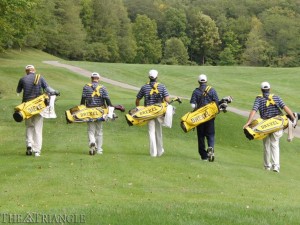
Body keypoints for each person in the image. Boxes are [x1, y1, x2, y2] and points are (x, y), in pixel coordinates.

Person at [243, 81, 295, 173]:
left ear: (261, 90)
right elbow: (285, 108)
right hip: (277, 124)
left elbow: (254, 111)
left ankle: (267, 166)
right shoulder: (276, 97)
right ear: (269, 89)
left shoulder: (259, 99)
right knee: (275, 144)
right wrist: (293, 117)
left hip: (264, 125)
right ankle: (276, 166)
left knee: (266, 145)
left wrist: (248, 123)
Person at [16, 65, 50, 157]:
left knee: (29, 126)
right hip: (38, 106)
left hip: (26, 107)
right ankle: (37, 150)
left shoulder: (22, 79)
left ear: (26, 71)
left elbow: (18, 91)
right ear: (34, 70)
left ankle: (29, 145)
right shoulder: (40, 77)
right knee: (37, 129)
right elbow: (48, 89)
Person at [135, 69, 170, 157]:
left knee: (151, 132)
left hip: (148, 113)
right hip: (159, 112)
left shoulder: (144, 87)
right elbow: (167, 99)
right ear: (157, 77)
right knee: (159, 132)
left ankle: (153, 153)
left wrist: (139, 109)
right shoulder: (162, 86)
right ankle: (159, 151)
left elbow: (137, 99)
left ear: (149, 77)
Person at [81, 72, 113, 155]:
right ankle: (99, 150)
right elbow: (108, 101)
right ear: (98, 79)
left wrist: (81, 111)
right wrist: (111, 110)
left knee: (91, 130)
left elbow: (82, 101)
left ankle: (92, 141)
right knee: (99, 131)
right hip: (100, 111)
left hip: (89, 111)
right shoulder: (103, 88)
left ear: (91, 78)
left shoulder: (86, 87)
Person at [190, 74, 219, 162]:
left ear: (198, 82)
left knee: (201, 136)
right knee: (210, 135)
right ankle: (211, 148)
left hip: (199, 118)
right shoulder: (212, 90)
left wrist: (195, 110)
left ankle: (204, 156)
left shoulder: (196, 91)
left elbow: (192, 105)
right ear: (206, 81)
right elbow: (216, 103)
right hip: (210, 117)